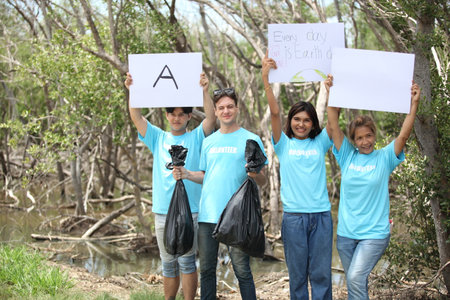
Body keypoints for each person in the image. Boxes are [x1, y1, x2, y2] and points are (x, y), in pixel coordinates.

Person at [326, 75, 421, 299]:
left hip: (374, 234)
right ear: (353, 140)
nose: (365, 141)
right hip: (346, 235)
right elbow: (332, 123)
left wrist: (413, 104)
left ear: (374, 136)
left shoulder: (385, 157)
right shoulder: (347, 156)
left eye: (369, 136)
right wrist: (332, 93)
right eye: (359, 138)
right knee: (355, 284)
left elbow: (404, 135)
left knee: (356, 278)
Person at [124, 71, 216, 300]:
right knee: (168, 264)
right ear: (166, 115)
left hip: (191, 212)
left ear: (188, 117)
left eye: (181, 114)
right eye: (172, 114)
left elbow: (211, 119)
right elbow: (136, 117)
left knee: (186, 262)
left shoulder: (196, 137)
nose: (176, 118)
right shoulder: (158, 138)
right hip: (163, 212)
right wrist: (132, 91)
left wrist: (205, 90)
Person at [172, 87, 267, 300]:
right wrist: (186, 174)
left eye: (230, 107)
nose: (226, 111)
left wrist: (254, 174)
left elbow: (262, 178)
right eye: (221, 108)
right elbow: (207, 175)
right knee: (206, 269)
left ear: (237, 109)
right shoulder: (209, 142)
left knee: (242, 270)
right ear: (215, 111)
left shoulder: (251, 139)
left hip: (238, 217)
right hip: (208, 215)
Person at [262, 53, 333, 299]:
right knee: (298, 275)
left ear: (313, 124)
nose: (301, 124)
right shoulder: (283, 144)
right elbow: (274, 113)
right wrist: (266, 80)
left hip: (321, 217)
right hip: (293, 219)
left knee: (322, 274)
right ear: (290, 121)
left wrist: (331, 90)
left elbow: (333, 118)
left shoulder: (321, 142)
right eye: (296, 119)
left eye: (306, 120)